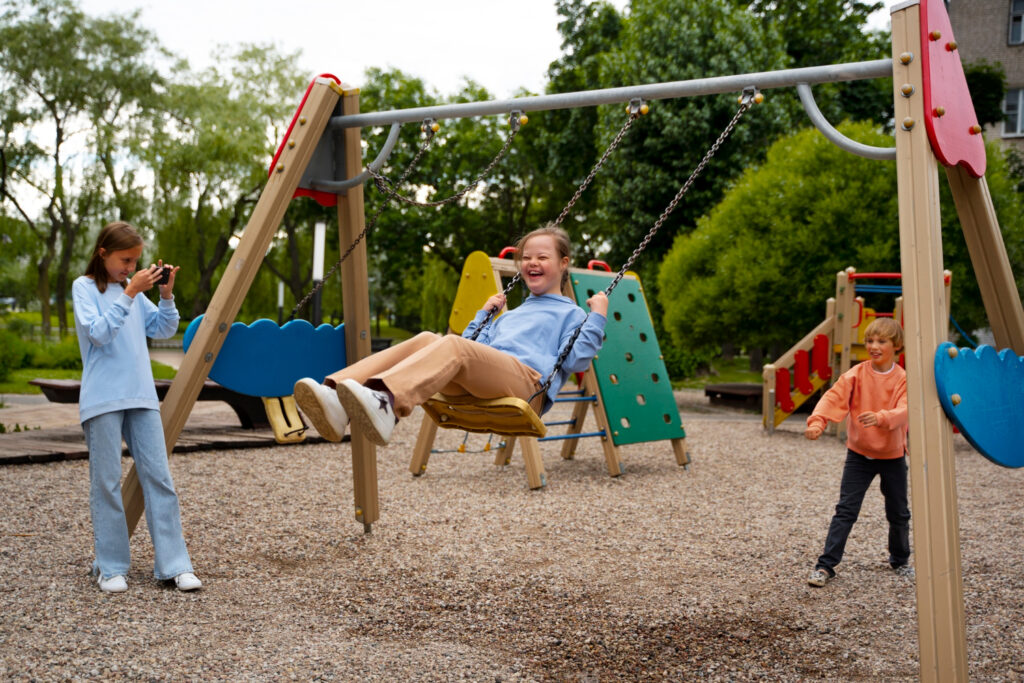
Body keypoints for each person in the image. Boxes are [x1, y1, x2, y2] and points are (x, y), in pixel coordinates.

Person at [293, 224, 609, 446]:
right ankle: (335, 397)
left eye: (542, 257)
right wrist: (484, 316)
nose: (532, 263)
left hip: (528, 385)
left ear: (563, 263)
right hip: (486, 380)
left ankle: (386, 402)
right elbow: (471, 348)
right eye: (526, 257)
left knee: (453, 345)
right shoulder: (511, 315)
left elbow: (579, 360)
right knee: (428, 338)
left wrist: (598, 314)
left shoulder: (572, 313)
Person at [72, 221, 201, 593]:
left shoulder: (133, 291)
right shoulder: (85, 288)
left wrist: (165, 296)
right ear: (103, 253)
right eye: (125, 259)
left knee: (160, 480)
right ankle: (110, 567)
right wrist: (129, 292)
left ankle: (176, 565)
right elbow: (98, 333)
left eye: (135, 261)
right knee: (106, 483)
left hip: (141, 396)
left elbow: (162, 330)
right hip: (102, 399)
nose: (130, 267)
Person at [805, 317, 911, 587]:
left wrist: (882, 418)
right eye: (870, 341)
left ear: (896, 345)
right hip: (859, 455)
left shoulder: (903, 379)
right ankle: (825, 566)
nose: (873, 346)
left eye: (881, 341)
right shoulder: (856, 374)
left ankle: (900, 560)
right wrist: (818, 422)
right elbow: (833, 397)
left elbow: (906, 410)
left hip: (893, 456)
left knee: (898, 511)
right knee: (846, 510)